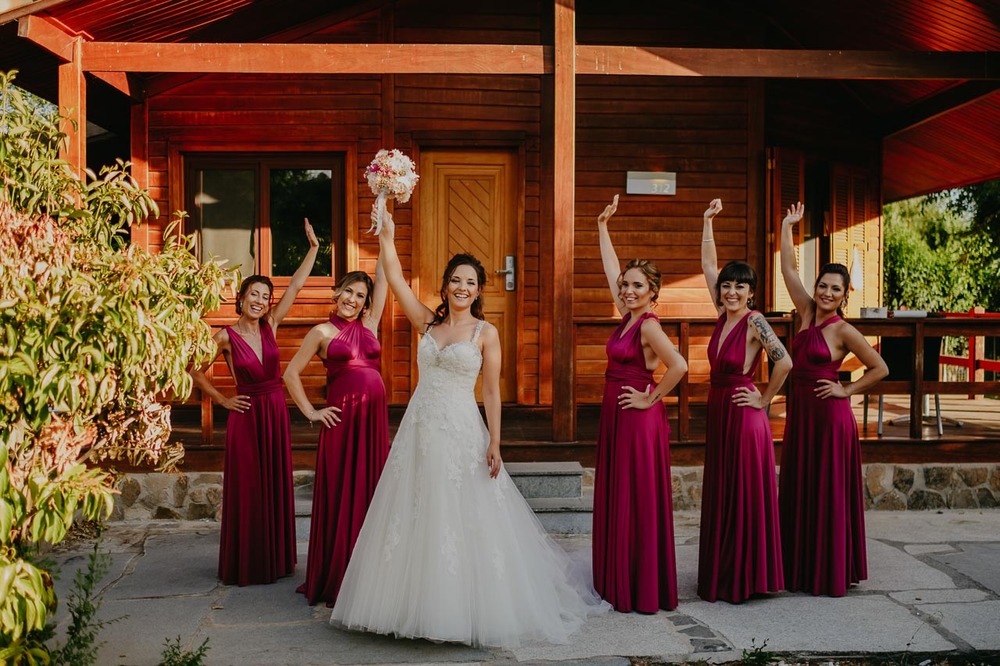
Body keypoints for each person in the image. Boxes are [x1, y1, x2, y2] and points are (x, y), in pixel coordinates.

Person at [330, 209, 608, 648]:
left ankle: (459, 610)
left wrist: (495, 441)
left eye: (471, 283)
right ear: (444, 286)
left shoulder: (486, 332)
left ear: (478, 291)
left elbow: (493, 393)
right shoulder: (428, 321)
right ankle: (410, 606)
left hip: (461, 428)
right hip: (419, 428)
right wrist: (388, 235)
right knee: (416, 509)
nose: (462, 288)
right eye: (456, 280)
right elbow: (396, 279)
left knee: (459, 513)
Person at [190, 219, 320, 586]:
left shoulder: (272, 325)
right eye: (254, 295)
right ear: (241, 297)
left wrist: (312, 249)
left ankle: (276, 561)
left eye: (265, 296)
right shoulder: (225, 336)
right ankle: (246, 563)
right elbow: (195, 372)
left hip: (275, 410)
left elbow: (295, 285)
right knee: (249, 488)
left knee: (274, 485)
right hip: (246, 415)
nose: (260, 301)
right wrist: (223, 401)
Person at [779, 201, 888, 596]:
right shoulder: (806, 312)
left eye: (834, 289)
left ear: (844, 296)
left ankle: (829, 570)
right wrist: (788, 227)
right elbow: (788, 269)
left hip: (830, 418)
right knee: (800, 484)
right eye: (823, 285)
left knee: (827, 490)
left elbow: (879, 367)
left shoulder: (844, 330)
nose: (826, 292)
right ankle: (799, 566)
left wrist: (847, 389)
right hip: (802, 415)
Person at [592, 194, 688, 613]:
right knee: (621, 495)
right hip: (617, 415)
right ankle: (620, 576)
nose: (627, 290)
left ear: (653, 292)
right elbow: (611, 270)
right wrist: (602, 228)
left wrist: (651, 398)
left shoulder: (648, 325)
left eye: (637, 286)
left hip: (636, 416)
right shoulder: (627, 316)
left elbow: (680, 365)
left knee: (637, 497)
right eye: (625, 286)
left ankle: (640, 584)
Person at [698, 198, 791, 603]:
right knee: (724, 490)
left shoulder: (754, 321)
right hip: (719, 411)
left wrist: (765, 400)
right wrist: (707, 222)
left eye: (740, 286)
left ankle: (746, 576)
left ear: (751, 293)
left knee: (743, 493)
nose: (731, 291)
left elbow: (784, 362)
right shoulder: (722, 316)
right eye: (727, 285)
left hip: (744, 413)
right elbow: (706, 266)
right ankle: (725, 571)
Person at [283, 256, 389, 606]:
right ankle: (338, 576)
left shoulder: (371, 324)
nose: (353, 300)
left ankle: (371, 575)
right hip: (343, 426)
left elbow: (384, 274)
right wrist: (312, 412)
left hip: (373, 424)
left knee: (372, 493)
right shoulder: (322, 332)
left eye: (360, 295)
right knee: (343, 493)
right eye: (348, 292)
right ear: (337, 293)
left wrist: (385, 215)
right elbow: (290, 375)